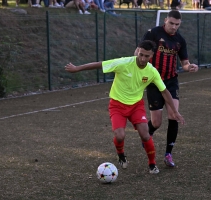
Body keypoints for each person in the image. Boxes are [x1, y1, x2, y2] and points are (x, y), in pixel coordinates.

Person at [64, 40, 185, 174]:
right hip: (117, 105)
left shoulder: (152, 71)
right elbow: (100, 65)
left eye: (147, 56)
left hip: (136, 106)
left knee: (145, 135)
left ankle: (152, 164)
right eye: (141, 54)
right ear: (137, 51)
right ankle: (121, 154)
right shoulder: (124, 63)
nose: (143, 58)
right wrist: (77, 68)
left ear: (152, 56)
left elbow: (164, 91)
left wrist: (175, 112)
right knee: (120, 135)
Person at [134, 10, 198, 168]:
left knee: (173, 115)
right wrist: (136, 65)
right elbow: (139, 51)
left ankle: (168, 154)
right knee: (156, 122)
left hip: (171, 81)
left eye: (177, 25)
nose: (174, 27)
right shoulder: (154, 33)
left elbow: (184, 63)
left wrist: (189, 67)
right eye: (171, 23)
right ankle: (147, 135)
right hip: (154, 81)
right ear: (165, 20)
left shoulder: (180, 40)